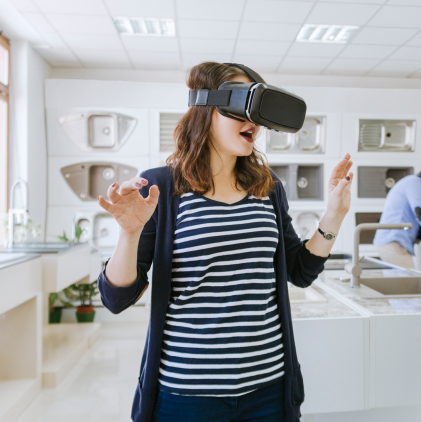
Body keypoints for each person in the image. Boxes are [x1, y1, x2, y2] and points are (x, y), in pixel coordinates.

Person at [96, 62, 353, 422]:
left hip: (268, 390)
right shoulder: (161, 187)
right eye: (241, 104)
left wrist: (334, 216)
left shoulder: (268, 187)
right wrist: (128, 234)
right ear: (205, 108)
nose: (255, 122)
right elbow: (116, 298)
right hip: (187, 394)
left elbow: (300, 271)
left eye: (259, 110)